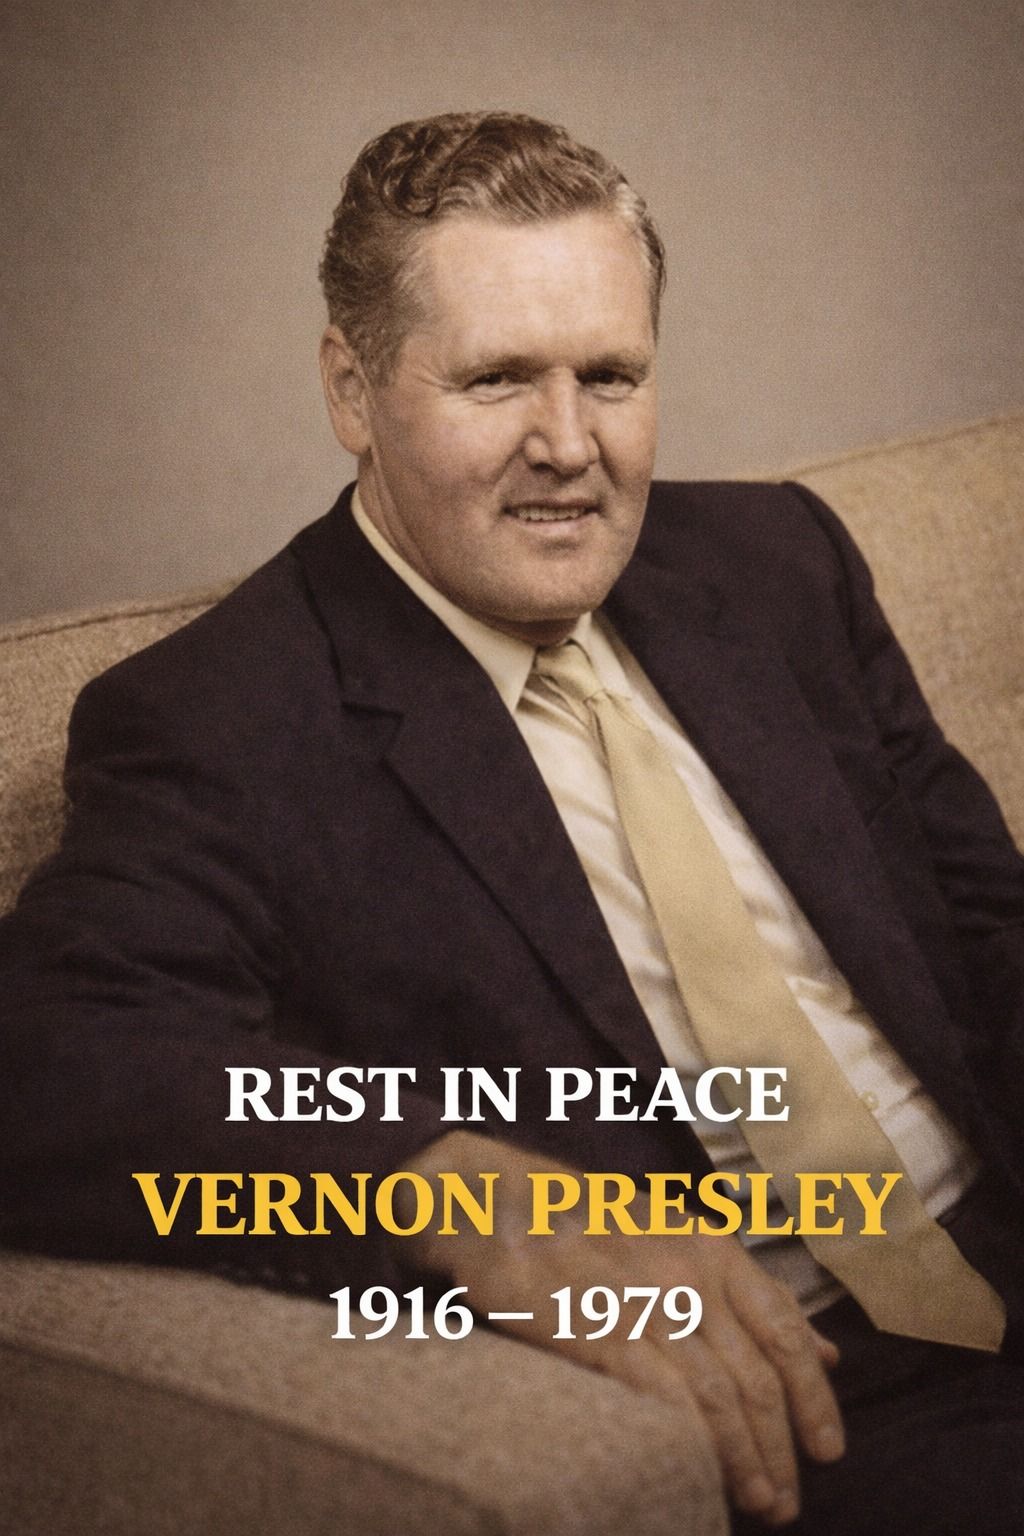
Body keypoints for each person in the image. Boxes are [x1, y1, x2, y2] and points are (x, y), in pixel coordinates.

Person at [2, 111, 1023, 1533]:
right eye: (495, 380)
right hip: (808, 1393)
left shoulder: (777, 563)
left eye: (611, 375)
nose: (568, 444)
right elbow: (52, 1061)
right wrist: (449, 1185)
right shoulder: (221, 719)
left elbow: (987, 924)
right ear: (352, 389)